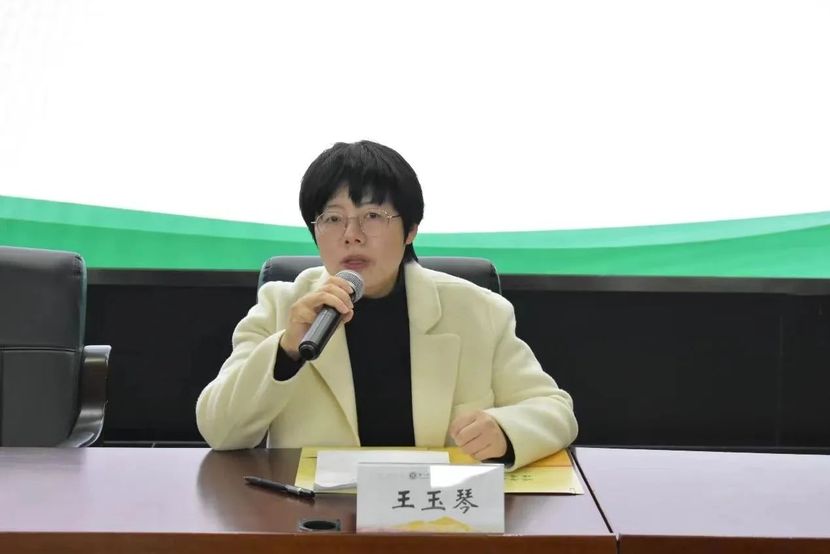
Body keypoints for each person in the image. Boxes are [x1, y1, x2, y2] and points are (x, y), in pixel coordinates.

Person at [196, 140, 577, 469]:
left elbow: (554, 409)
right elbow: (219, 430)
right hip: (317, 517)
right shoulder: (281, 306)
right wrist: (286, 350)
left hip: (435, 516)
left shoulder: (478, 311)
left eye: (373, 216)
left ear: (410, 230)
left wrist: (505, 431)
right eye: (333, 218)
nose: (352, 235)